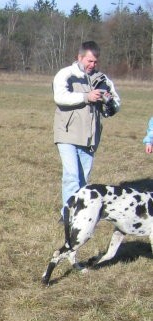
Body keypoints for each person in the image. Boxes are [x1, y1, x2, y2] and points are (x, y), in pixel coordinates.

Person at [52, 40, 120, 220]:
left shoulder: (103, 79)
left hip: (90, 136)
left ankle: (79, 213)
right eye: (89, 61)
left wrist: (108, 101)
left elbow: (116, 104)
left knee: (83, 180)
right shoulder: (66, 74)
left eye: (95, 61)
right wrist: (86, 97)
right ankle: (67, 214)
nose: (93, 65)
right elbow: (60, 97)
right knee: (71, 176)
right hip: (66, 133)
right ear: (79, 57)